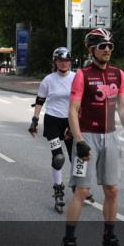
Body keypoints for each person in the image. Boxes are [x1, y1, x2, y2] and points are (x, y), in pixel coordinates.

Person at [61, 28, 124, 246]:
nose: (107, 50)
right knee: (82, 191)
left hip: (110, 137)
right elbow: (73, 110)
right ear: (91, 50)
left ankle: (109, 239)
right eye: (102, 46)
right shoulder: (82, 75)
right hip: (88, 138)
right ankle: (69, 243)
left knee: (112, 190)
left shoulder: (118, 74)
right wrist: (79, 141)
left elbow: (123, 107)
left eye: (110, 46)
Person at [30, 47, 77, 213]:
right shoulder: (48, 80)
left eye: (66, 60)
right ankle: (58, 190)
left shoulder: (76, 78)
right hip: (52, 121)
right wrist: (34, 121)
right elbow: (40, 101)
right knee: (58, 157)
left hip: (71, 121)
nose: (63, 63)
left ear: (70, 61)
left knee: (76, 158)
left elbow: (82, 102)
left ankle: (78, 184)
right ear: (55, 62)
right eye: (60, 61)